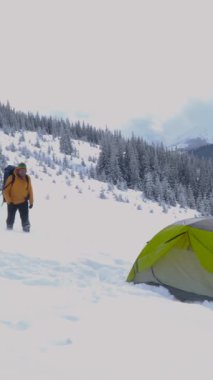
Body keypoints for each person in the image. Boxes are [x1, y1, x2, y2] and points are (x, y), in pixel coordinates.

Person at [3, 163, 34, 232]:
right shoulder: (12, 177)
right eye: (21, 170)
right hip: (12, 202)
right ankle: (8, 231)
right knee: (10, 219)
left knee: (25, 218)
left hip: (23, 202)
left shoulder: (27, 178)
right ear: (18, 170)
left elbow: (30, 190)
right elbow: (5, 191)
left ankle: (26, 231)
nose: (23, 172)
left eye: (24, 170)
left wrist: (31, 202)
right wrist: (9, 201)